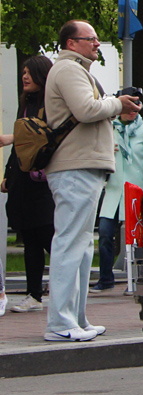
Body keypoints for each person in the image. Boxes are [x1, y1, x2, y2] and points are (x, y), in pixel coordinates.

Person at [43, 20, 141, 341]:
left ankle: (77, 319)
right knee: (71, 243)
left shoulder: (76, 70)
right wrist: (118, 104)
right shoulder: (69, 70)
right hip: (75, 167)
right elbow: (85, 110)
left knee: (83, 246)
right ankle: (60, 323)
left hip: (82, 166)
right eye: (91, 39)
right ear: (72, 43)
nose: (97, 44)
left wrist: (112, 104)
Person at [2, 56, 56, 313]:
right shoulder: (25, 104)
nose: (24, 77)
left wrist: (10, 138)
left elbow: (43, 136)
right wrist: (8, 175)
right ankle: (34, 294)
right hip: (23, 180)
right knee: (30, 239)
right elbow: (20, 147)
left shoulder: (51, 104)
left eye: (30, 73)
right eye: (23, 72)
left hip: (43, 181)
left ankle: (64, 289)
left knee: (48, 236)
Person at [92, 109, 143, 291]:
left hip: (137, 188)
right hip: (114, 190)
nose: (131, 113)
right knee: (104, 233)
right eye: (127, 109)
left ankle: (135, 280)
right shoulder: (109, 129)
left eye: (136, 109)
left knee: (135, 238)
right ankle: (105, 278)